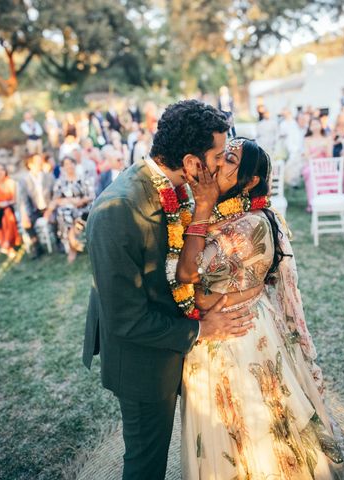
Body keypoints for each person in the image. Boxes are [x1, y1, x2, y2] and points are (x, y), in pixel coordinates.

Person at [83, 100, 255, 480]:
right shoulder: (117, 210)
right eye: (216, 156)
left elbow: (177, 265)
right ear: (192, 162)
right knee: (146, 463)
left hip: (169, 347)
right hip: (142, 362)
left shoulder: (176, 186)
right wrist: (200, 330)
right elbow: (125, 318)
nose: (221, 163)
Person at [179, 137, 344, 479]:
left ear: (250, 180)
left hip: (239, 337)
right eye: (220, 156)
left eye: (229, 159)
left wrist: (216, 296)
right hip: (219, 332)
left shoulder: (250, 224)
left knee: (257, 429)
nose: (218, 165)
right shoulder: (219, 211)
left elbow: (187, 275)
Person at [46, 156, 94, 263]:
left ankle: (72, 244)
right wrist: (72, 200)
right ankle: (73, 242)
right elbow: (56, 199)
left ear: (75, 164)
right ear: (62, 167)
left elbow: (91, 195)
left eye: (70, 163)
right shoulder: (60, 182)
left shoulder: (83, 178)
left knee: (75, 214)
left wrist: (80, 201)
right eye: (66, 164)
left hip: (83, 208)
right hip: (68, 210)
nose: (69, 166)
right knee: (64, 212)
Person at [18, 154, 54, 259]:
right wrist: (24, 215)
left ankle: (59, 241)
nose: (40, 163)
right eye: (37, 161)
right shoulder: (24, 181)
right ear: (30, 165)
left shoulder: (49, 176)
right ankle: (37, 246)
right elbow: (23, 200)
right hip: (35, 209)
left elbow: (55, 194)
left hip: (49, 207)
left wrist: (50, 209)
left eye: (41, 161)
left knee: (55, 218)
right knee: (27, 223)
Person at [302, 117, 333, 211]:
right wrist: (319, 150)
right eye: (312, 124)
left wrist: (326, 148)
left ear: (320, 125)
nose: (315, 126)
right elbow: (307, 157)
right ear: (310, 127)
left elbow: (329, 156)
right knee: (310, 171)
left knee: (324, 171)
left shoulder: (327, 138)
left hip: (324, 164)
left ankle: (326, 203)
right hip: (311, 164)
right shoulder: (307, 139)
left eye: (317, 124)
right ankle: (313, 202)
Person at [280, 109, 305, 187]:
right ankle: (292, 183)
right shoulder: (293, 129)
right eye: (301, 119)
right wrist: (298, 152)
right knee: (293, 162)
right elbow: (290, 144)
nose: (303, 121)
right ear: (297, 120)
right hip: (295, 152)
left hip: (305, 153)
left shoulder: (307, 129)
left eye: (304, 119)